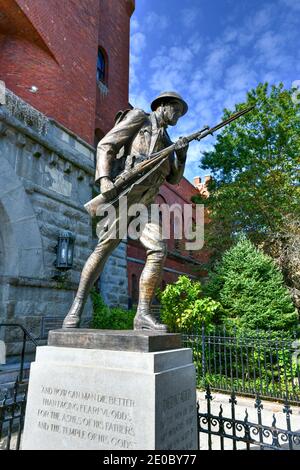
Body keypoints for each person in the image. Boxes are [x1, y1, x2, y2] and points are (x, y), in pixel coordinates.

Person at [62, 91, 189, 331]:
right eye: (177, 110)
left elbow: (173, 179)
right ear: (163, 106)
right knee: (104, 249)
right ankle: (76, 307)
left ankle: (142, 314)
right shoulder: (139, 118)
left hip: (148, 203)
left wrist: (181, 155)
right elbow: (106, 145)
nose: (178, 116)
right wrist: (104, 179)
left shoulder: (169, 143)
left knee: (158, 249)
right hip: (126, 194)